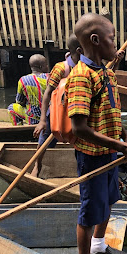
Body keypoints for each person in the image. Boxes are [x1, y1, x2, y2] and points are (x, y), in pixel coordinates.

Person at [66, 13, 127, 254]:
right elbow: (79, 128)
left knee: (110, 199)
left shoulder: (107, 73)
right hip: (92, 157)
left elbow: (113, 111)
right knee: (88, 214)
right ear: (96, 41)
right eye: (112, 38)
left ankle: (99, 245)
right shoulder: (80, 78)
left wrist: (124, 139)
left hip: (111, 151)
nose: (116, 43)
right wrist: (122, 148)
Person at [32, 34, 82, 177]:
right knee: (44, 140)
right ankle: (37, 165)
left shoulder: (86, 67)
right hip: (57, 111)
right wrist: (42, 121)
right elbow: (47, 93)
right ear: (80, 50)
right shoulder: (62, 68)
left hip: (77, 110)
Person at [7, 54, 49, 126]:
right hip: (49, 115)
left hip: (33, 118)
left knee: (11, 108)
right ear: (41, 67)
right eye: (46, 65)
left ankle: (19, 128)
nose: (48, 66)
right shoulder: (50, 77)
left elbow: (19, 101)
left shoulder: (23, 80)